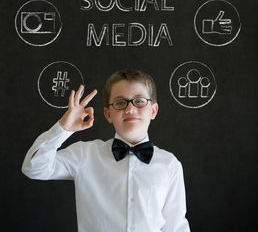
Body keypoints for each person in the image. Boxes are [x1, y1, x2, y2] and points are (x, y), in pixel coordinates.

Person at [22, 69, 190, 232]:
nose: (130, 109)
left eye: (139, 101)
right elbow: (33, 167)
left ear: (153, 110)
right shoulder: (85, 155)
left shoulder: (169, 164)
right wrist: (64, 127)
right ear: (108, 114)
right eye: (120, 103)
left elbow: (176, 226)